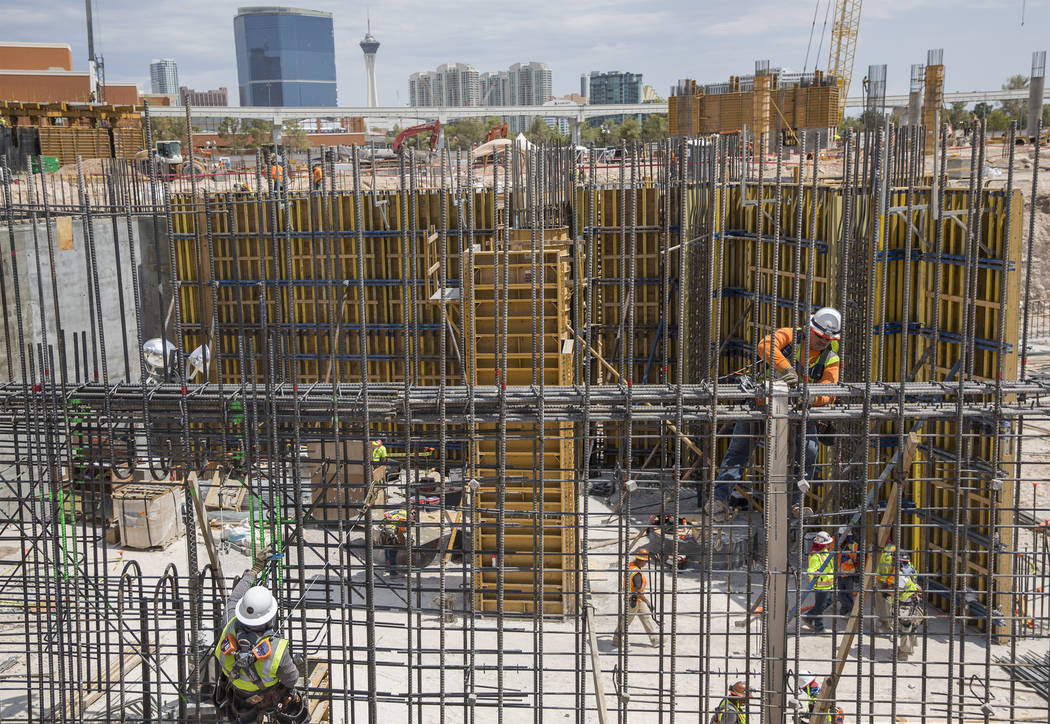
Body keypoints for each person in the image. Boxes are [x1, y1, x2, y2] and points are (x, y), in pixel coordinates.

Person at [705, 308, 841, 520]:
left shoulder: (830, 357)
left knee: (809, 451)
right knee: (739, 450)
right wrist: (787, 369)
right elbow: (764, 346)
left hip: (798, 411)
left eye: (828, 338)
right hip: (763, 402)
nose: (824, 341)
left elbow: (829, 391)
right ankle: (719, 499)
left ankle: (797, 504)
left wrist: (811, 398)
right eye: (820, 336)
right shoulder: (790, 337)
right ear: (810, 328)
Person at [213, 550, 306, 723]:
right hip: (269, 698)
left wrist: (254, 571)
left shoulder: (229, 626)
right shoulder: (276, 649)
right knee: (296, 705)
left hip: (239, 695)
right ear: (270, 617)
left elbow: (233, 599)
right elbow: (292, 678)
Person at [612, 548, 660, 648]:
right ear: (640, 560)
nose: (646, 564)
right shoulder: (637, 574)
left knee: (645, 617)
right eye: (645, 561)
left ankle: (655, 639)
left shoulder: (631, 565)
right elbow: (638, 591)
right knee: (626, 620)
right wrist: (647, 602)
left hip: (636, 599)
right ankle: (617, 639)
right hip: (633, 600)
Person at [804, 531, 835, 632]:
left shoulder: (826, 553)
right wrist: (815, 573)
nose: (829, 544)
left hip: (829, 584)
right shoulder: (815, 556)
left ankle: (808, 617)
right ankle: (819, 627)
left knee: (828, 602)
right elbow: (810, 570)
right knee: (820, 606)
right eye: (827, 543)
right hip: (821, 586)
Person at [893, 573, 923, 660]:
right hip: (912, 604)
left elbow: (898, 590)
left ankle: (904, 653)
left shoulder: (901, 576)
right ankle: (910, 648)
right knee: (912, 626)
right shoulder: (911, 570)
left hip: (904, 606)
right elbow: (919, 588)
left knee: (905, 628)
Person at [874, 544, 898, 632]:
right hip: (880, 580)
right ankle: (884, 623)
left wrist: (890, 583)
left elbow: (896, 569)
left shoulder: (893, 549)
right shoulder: (875, 547)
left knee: (890, 605)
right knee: (879, 603)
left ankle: (893, 629)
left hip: (890, 583)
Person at [836, 530, 860, 615]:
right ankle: (846, 608)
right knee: (841, 594)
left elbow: (856, 557)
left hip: (849, 573)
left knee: (848, 593)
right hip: (839, 573)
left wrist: (846, 554)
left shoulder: (854, 545)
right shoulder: (838, 545)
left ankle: (850, 609)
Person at [380, 508, 410, 575]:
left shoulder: (399, 511)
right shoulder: (405, 516)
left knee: (387, 550)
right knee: (392, 553)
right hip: (390, 533)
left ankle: (388, 567)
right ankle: (393, 573)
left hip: (383, 529)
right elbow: (403, 529)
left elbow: (385, 514)